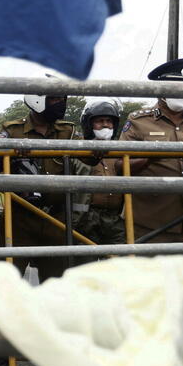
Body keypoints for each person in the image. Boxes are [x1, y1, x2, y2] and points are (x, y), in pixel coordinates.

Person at [0, 86, 87, 282]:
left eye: (62, 99)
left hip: (56, 219)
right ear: (37, 100)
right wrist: (11, 151)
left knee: (55, 283)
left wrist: (99, 143)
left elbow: (90, 157)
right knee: (8, 281)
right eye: (54, 99)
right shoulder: (12, 130)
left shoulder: (68, 131)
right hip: (19, 218)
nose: (60, 104)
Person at [117, 58, 183, 242]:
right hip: (151, 221)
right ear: (160, 89)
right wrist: (149, 158)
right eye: (175, 87)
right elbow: (120, 165)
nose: (181, 92)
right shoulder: (139, 121)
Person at [74, 99, 126, 252]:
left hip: (115, 219)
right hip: (84, 219)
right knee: (85, 262)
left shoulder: (122, 150)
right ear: (88, 124)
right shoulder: (77, 148)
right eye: (100, 121)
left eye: (109, 121)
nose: (105, 125)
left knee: (118, 261)